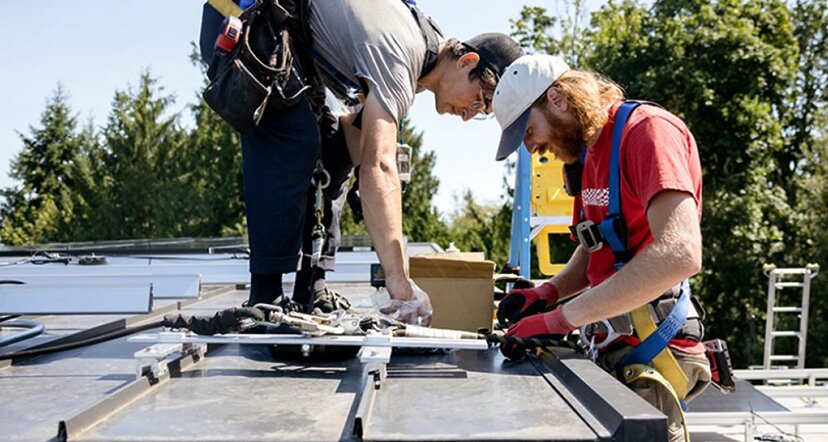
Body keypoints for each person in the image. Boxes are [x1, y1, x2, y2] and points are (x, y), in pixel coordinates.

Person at [199, 0, 523, 324]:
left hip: (292, 42)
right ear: (467, 61)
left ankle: (311, 288)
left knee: (334, 150)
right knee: (294, 140)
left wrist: (347, 162)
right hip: (244, 18)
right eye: (480, 100)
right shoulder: (403, 53)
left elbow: (358, 142)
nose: (469, 115)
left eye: (482, 113)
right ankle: (265, 297)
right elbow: (379, 166)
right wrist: (399, 282)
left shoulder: (426, 49)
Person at [492, 54, 710, 442]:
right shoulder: (590, 154)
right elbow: (597, 243)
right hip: (614, 345)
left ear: (557, 99)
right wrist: (549, 292)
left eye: (528, 132)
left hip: (653, 353)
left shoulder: (647, 133)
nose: (533, 149)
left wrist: (559, 319)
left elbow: (680, 253)